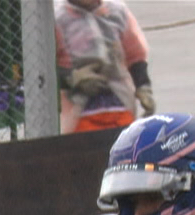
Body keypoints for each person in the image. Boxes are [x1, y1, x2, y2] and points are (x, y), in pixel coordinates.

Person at [56, 0, 156, 133]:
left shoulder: (117, 12)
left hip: (119, 104)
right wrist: (73, 78)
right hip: (78, 111)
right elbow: (46, 67)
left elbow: (136, 55)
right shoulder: (58, 18)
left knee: (124, 144)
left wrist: (143, 87)